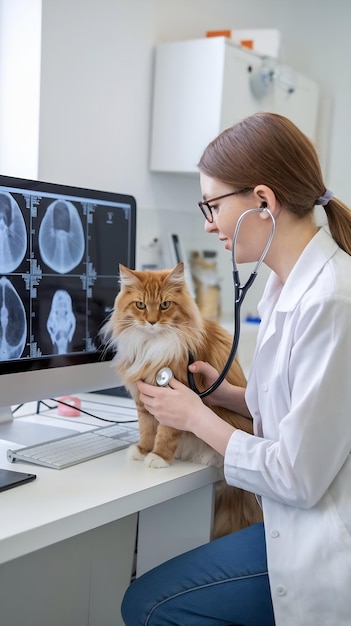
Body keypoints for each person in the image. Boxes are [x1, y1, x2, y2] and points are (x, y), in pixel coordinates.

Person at [121, 112, 351, 626]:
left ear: (263, 202)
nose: (208, 223)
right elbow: (311, 409)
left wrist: (196, 417)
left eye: (213, 205)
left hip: (324, 543)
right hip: (292, 522)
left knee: (146, 604)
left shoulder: (331, 301)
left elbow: (297, 475)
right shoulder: (287, 288)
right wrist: (230, 399)